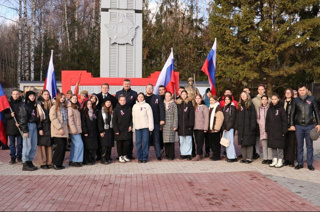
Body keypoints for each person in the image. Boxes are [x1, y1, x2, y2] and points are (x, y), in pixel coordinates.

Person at [290, 84, 320, 171]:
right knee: (299, 146)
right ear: (298, 91)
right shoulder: (295, 100)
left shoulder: (312, 99)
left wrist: (319, 123)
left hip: (309, 126)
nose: (302, 92)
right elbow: (292, 113)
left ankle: (310, 164)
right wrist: (292, 124)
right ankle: (300, 163)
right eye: (300, 90)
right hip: (299, 126)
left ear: (306, 90)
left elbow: (317, 112)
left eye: (303, 90)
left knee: (309, 146)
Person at [115, 79, 137, 159]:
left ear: (130, 84)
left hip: (129, 118)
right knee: (120, 140)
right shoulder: (118, 93)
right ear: (122, 84)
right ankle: (120, 155)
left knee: (129, 139)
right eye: (125, 84)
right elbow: (115, 105)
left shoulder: (134, 94)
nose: (127, 85)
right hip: (120, 119)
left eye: (128, 84)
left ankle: (129, 154)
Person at [266, 94, 288, 168]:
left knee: (280, 146)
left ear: (278, 99)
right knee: (273, 146)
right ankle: (274, 159)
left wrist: (284, 131)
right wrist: (267, 129)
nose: (273, 100)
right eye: (272, 99)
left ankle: (280, 160)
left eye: (275, 99)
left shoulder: (281, 109)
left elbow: (284, 121)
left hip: (279, 130)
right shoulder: (270, 109)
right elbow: (267, 120)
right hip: (271, 131)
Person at [19, 90, 38, 171]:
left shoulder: (34, 106)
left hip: (34, 125)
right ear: (27, 97)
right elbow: (22, 119)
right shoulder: (24, 106)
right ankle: (25, 162)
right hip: (28, 126)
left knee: (33, 145)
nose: (32, 97)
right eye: (30, 96)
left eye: (33, 96)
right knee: (27, 145)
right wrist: (25, 130)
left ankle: (30, 161)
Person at [145, 84, 165, 160]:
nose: (149, 89)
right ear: (146, 89)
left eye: (151, 88)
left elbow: (161, 109)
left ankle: (158, 155)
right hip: (145, 122)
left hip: (156, 121)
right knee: (146, 140)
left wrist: (162, 119)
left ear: (153, 90)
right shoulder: (142, 98)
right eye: (148, 88)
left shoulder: (157, 97)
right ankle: (145, 156)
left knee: (156, 139)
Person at [235, 91, 257, 164]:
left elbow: (253, 116)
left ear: (247, 96)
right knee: (243, 143)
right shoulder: (239, 105)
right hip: (241, 127)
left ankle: (249, 158)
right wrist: (237, 126)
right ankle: (244, 158)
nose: (243, 96)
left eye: (244, 95)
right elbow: (237, 117)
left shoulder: (250, 104)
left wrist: (253, 126)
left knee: (249, 143)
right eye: (242, 95)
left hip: (249, 127)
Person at [132, 93, 154, 163]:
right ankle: (139, 157)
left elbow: (150, 117)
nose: (140, 98)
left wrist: (151, 126)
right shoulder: (134, 106)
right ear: (137, 98)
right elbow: (133, 117)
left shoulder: (147, 106)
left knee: (145, 142)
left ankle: (145, 157)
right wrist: (133, 127)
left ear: (144, 98)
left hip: (145, 127)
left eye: (142, 97)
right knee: (138, 143)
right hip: (137, 127)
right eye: (139, 97)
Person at [3, 89, 23, 164]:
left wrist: (20, 123)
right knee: (12, 144)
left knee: (20, 144)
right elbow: (4, 115)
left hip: (19, 127)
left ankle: (19, 157)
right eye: (14, 94)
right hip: (10, 127)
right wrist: (10, 115)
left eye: (17, 94)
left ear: (19, 95)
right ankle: (12, 157)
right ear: (11, 95)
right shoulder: (8, 104)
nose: (15, 95)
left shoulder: (22, 104)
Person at [50, 93, 69, 170]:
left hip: (64, 130)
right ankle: (55, 163)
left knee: (63, 147)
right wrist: (59, 128)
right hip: (57, 130)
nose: (62, 99)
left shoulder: (64, 107)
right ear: (58, 98)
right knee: (60, 147)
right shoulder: (54, 107)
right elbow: (53, 118)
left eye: (64, 98)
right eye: (61, 97)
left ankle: (59, 163)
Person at [112, 95, 133, 163]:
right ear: (119, 101)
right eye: (121, 100)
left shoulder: (129, 108)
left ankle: (124, 155)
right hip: (119, 129)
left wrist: (130, 125)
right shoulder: (116, 109)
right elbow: (114, 121)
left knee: (126, 143)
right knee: (119, 144)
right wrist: (116, 130)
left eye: (124, 100)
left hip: (127, 129)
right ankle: (120, 156)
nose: (123, 102)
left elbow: (131, 118)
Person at [252, 84, 270, 159]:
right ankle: (257, 152)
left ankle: (268, 155)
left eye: (262, 89)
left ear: (264, 90)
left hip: (267, 122)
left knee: (266, 139)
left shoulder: (269, 99)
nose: (261, 91)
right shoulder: (254, 100)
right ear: (257, 90)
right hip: (257, 121)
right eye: (259, 89)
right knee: (257, 138)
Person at [36, 90, 53, 169]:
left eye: (48, 94)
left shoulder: (51, 104)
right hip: (43, 126)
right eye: (45, 94)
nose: (46, 96)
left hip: (50, 127)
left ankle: (49, 162)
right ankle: (43, 162)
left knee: (49, 145)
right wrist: (40, 128)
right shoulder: (39, 106)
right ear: (42, 95)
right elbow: (39, 118)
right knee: (43, 145)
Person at [176, 90, 195, 160]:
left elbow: (191, 115)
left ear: (187, 95)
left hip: (188, 125)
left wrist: (191, 125)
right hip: (180, 126)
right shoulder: (178, 103)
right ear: (180, 95)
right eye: (182, 94)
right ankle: (183, 153)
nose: (183, 95)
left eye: (185, 94)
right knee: (181, 140)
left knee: (188, 140)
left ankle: (189, 154)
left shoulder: (189, 103)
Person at [68, 94, 84, 167]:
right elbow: (70, 120)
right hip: (74, 130)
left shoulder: (76, 107)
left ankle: (72, 160)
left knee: (74, 145)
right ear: (70, 99)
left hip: (77, 129)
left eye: (76, 98)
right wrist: (73, 129)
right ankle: (76, 160)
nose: (75, 99)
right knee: (79, 144)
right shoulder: (70, 108)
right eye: (73, 98)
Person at [81, 100, 99, 165]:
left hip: (93, 132)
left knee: (93, 146)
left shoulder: (94, 112)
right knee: (87, 147)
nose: (89, 105)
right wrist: (85, 131)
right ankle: (86, 160)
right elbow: (83, 122)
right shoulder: (84, 112)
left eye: (90, 104)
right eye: (88, 104)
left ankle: (92, 158)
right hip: (87, 132)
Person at [98, 99, 115, 164]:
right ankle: (103, 158)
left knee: (109, 145)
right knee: (104, 145)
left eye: (109, 102)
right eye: (107, 102)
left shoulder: (112, 111)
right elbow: (99, 122)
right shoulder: (101, 111)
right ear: (104, 103)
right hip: (104, 130)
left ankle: (108, 157)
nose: (108, 103)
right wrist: (101, 131)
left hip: (110, 130)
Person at [282, 88, 296, 167]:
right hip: (284, 126)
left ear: (291, 94)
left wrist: (293, 124)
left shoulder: (294, 102)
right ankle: (286, 160)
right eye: (286, 92)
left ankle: (291, 160)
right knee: (285, 143)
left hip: (292, 126)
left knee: (291, 143)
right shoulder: (282, 102)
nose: (287, 94)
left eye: (289, 92)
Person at [257, 95, 272, 164]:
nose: (264, 101)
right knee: (264, 144)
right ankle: (265, 158)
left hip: (269, 127)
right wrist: (260, 123)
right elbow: (257, 117)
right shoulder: (259, 108)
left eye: (266, 99)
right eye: (263, 99)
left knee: (269, 144)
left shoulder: (270, 107)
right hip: (262, 128)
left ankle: (270, 158)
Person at [207, 96, 224, 161]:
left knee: (216, 143)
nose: (211, 101)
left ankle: (217, 155)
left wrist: (217, 128)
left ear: (216, 101)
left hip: (215, 129)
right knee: (212, 143)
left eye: (212, 100)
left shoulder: (217, 108)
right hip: (210, 129)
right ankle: (214, 154)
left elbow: (220, 118)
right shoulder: (210, 107)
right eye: (210, 100)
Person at [162, 92, 178, 160]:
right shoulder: (162, 104)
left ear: (171, 96)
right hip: (164, 125)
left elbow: (176, 115)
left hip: (171, 124)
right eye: (166, 96)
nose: (168, 97)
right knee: (166, 141)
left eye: (169, 96)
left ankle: (171, 155)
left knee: (171, 140)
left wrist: (175, 125)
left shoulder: (173, 104)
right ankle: (167, 154)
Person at [193, 94, 209, 161]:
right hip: (195, 127)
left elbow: (206, 118)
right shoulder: (195, 107)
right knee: (197, 141)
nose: (197, 100)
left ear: (201, 99)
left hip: (201, 127)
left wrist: (205, 128)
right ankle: (201, 154)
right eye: (196, 98)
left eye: (199, 98)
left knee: (200, 142)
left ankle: (198, 154)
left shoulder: (204, 107)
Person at [222, 95, 237, 162]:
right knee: (226, 143)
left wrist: (228, 127)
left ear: (231, 100)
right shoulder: (224, 108)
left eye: (228, 99)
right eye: (226, 99)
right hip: (225, 128)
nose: (227, 100)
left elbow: (232, 119)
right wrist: (223, 127)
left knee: (230, 142)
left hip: (230, 128)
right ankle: (229, 155)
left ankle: (232, 157)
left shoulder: (232, 108)